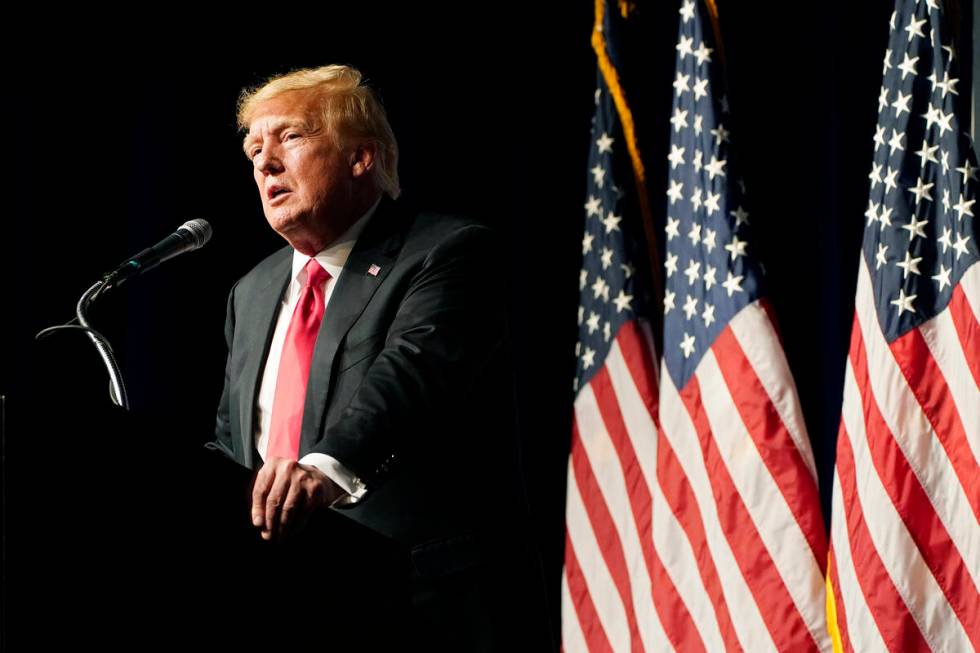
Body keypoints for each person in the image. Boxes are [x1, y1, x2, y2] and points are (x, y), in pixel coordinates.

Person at [205, 64, 551, 651]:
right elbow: (234, 441)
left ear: (360, 157)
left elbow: (410, 377)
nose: (264, 164)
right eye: (254, 149)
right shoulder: (253, 290)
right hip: (282, 603)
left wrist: (323, 470)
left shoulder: (447, 251)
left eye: (289, 137)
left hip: (421, 601)